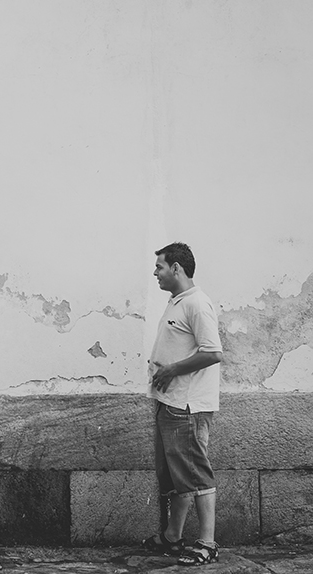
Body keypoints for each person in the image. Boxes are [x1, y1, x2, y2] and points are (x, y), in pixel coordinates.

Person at [142, 242, 223, 566]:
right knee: (174, 476)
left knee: (195, 474)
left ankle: (207, 542)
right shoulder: (177, 302)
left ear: (177, 268)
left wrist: (173, 369)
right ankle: (172, 538)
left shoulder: (197, 304)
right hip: (169, 402)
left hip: (187, 407)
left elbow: (213, 352)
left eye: (160, 266)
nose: (155, 272)